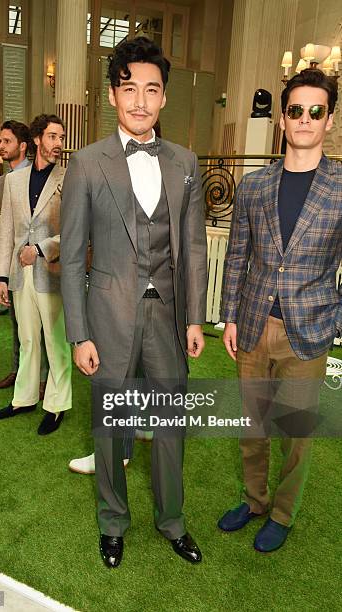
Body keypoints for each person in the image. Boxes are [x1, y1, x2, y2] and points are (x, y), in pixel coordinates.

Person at [61, 37, 207, 567]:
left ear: (165, 97)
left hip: (167, 318)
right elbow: (73, 256)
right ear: (112, 96)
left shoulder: (186, 162)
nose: (140, 100)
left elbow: (192, 250)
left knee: (170, 429)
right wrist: (79, 333)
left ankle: (172, 522)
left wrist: (195, 318)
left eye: (151, 89)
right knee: (110, 427)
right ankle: (112, 522)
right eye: (130, 89)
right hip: (108, 316)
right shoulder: (85, 162)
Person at [218, 69, 342, 552]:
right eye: (296, 110)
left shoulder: (339, 185)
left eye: (316, 111)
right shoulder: (253, 185)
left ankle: (283, 514)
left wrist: (335, 319)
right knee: (252, 425)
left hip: (307, 334)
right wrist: (229, 315)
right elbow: (237, 256)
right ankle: (254, 500)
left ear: (328, 120)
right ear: (283, 119)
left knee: (295, 434)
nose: (305, 120)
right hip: (252, 325)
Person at [0, 114, 72, 436]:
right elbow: (7, 233)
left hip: (52, 272)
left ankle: (56, 404)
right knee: (27, 341)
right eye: (53, 137)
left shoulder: (70, 178)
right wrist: (1, 277)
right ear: (37, 139)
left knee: (56, 344)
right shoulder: (12, 181)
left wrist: (40, 249)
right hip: (20, 276)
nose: (59, 144)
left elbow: (76, 233)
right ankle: (24, 398)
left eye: (62, 138)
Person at [0, 120, 49, 399]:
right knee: (18, 325)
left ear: (24, 146)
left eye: (7, 141)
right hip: (16, 267)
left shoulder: (47, 176)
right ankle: (20, 373)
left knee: (47, 330)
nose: (1, 146)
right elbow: (8, 231)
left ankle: (43, 380)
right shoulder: (3, 182)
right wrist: (2, 273)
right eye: (0, 141)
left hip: (45, 264)